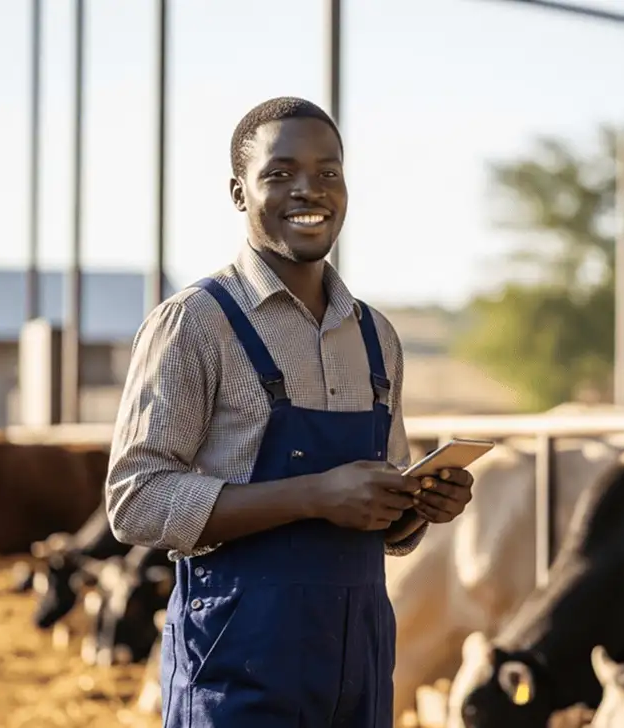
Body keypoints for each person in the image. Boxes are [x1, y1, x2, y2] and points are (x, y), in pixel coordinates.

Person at [106, 96, 475, 728]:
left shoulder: (376, 335)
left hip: (358, 662)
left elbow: (381, 495)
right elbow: (135, 502)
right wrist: (313, 496)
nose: (310, 189)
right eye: (280, 174)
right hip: (236, 661)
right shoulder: (193, 323)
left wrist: (417, 506)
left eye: (328, 172)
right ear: (238, 191)